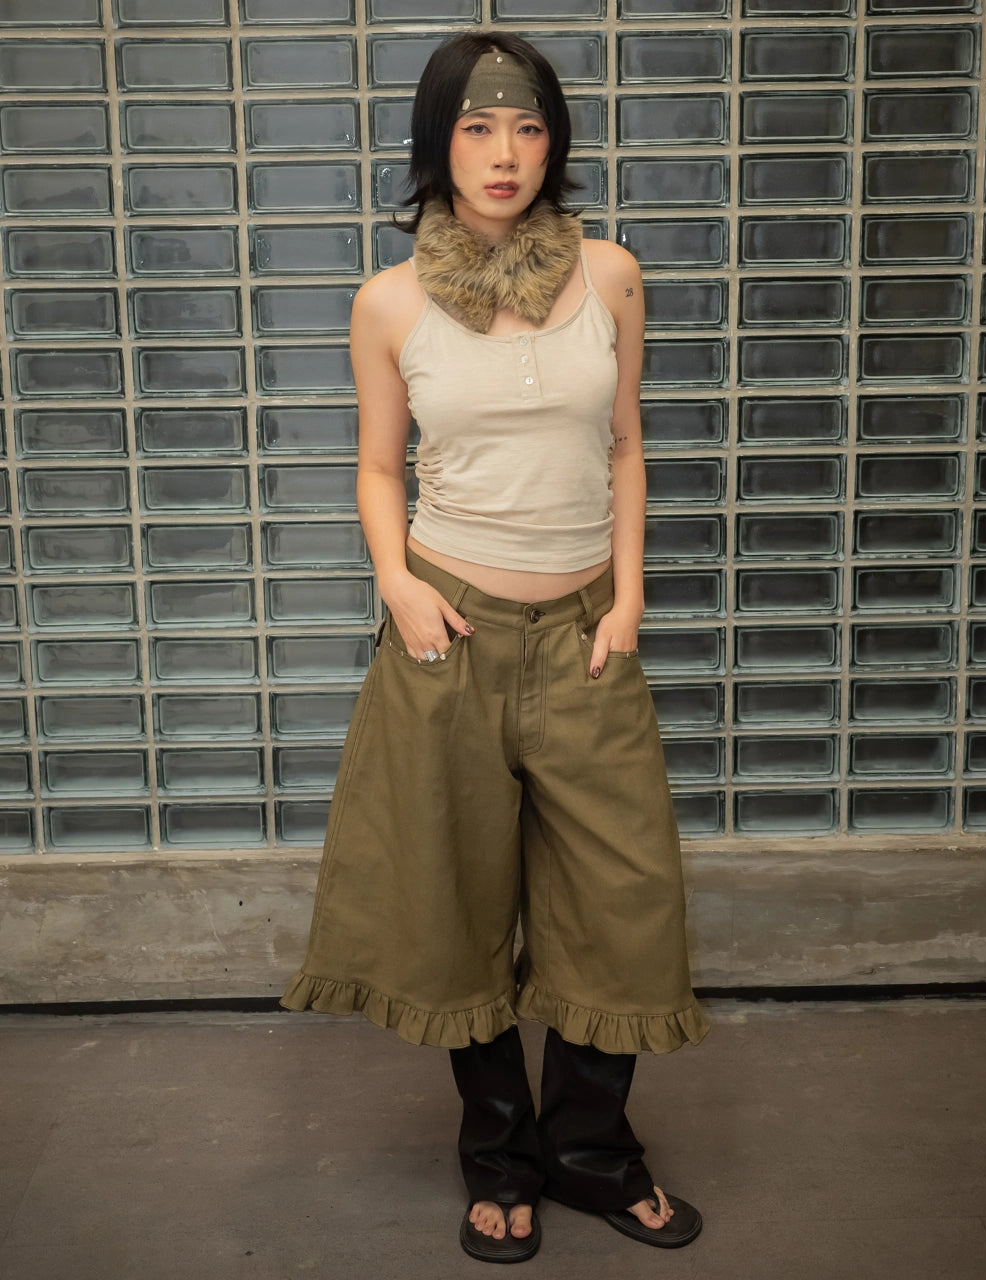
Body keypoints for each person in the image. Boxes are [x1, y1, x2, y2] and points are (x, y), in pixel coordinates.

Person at [281, 30, 710, 1265]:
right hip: (449, 632)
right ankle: (500, 1157)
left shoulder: (611, 276)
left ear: (552, 140)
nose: (505, 151)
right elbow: (377, 467)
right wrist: (398, 586)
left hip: (586, 634)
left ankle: (593, 1152)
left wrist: (626, 599)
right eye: (477, 127)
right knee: (456, 902)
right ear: (440, 144)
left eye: (526, 126)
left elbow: (625, 446)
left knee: (622, 903)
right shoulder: (390, 302)